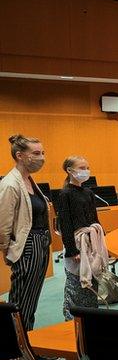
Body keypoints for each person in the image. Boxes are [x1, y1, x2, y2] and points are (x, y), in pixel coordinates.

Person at [0, 134, 52, 330]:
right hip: (27, 245)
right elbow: (3, 223)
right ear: (20, 155)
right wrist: (6, 250)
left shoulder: (29, 180)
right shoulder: (10, 184)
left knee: (31, 300)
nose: (42, 157)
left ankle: (27, 342)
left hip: (41, 242)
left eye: (43, 153)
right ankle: (14, 347)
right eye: (36, 153)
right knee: (20, 301)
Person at [57, 156, 101, 320]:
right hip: (75, 244)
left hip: (90, 242)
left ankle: (91, 315)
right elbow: (65, 223)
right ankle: (72, 318)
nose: (86, 171)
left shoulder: (88, 192)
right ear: (70, 170)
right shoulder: (65, 194)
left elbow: (95, 219)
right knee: (76, 282)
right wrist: (71, 250)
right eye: (82, 167)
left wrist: (100, 242)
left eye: (87, 167)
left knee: (93, 278)